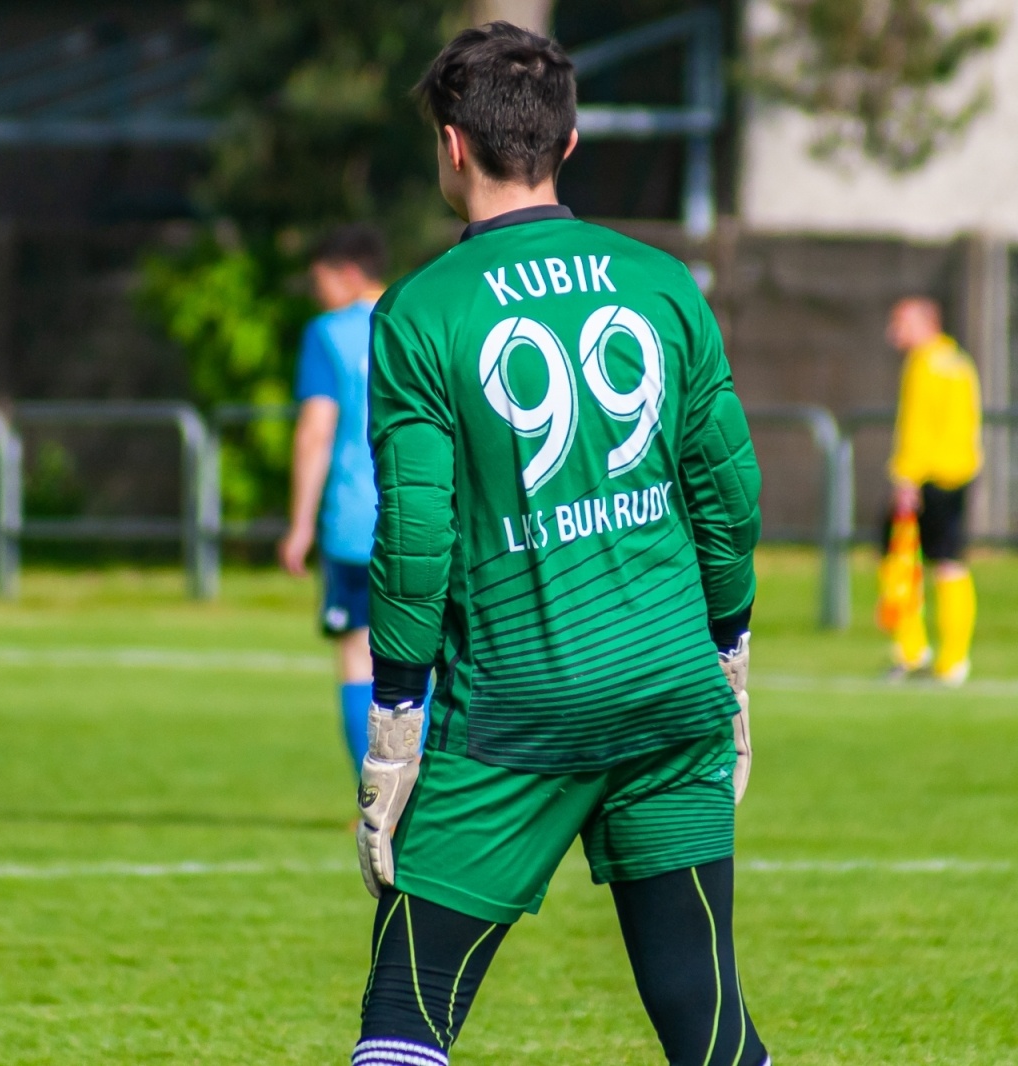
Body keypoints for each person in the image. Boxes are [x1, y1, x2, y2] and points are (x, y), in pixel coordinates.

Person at [349, 23, 768, 1066]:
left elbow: (414, 539)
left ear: (451, 145)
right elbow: (729, 491)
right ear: (568, 143)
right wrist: (730, 652)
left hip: (516, 712)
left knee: (405, 1018)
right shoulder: (665, 283)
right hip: (670, 686)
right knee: (705, 1020)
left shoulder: (418, 314)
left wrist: (394, 722)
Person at [279, 224, 387, 769]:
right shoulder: (419, 318)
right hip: (430, 520)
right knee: (433, 657)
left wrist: (299, 525)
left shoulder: (329, 334)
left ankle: (375, 793)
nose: (316, 290)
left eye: (319, 278)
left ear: (347, 273)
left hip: (354, 524)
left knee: (356, 654)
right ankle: (431, 791)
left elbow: (316, 430)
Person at [881, 296, 983, 686]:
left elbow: (918, 428)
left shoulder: (925, 364)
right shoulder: (957, 361)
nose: (894, 332)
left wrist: (906, 478)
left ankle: (911, 650)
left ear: (926, 323)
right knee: (949, 560)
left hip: (926, 479)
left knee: (901, 558)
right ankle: (953, 660)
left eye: (901, 322)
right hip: (958, 474)